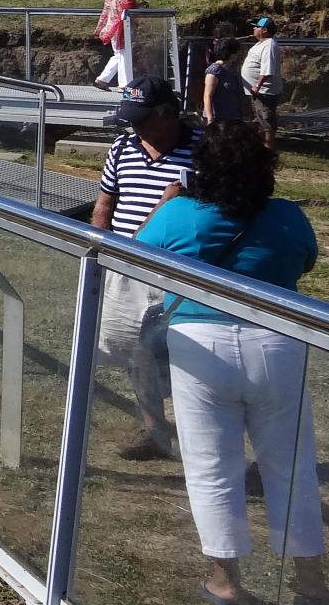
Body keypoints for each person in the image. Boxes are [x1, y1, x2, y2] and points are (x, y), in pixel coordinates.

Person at [136, 120, 329, 605]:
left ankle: (226, 582)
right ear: (266, 169)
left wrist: (164, 204)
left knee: (211, 466)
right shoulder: (288, 217)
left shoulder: (179, 213)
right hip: (278, 345)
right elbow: (305, 262)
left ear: (202, 168)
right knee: (291, 466)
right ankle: (312, 586)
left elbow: (131, 254)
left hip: (198, 347)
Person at [92, 77, 200, 462]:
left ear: (167, 113)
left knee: (181, 354)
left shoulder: (201, 149)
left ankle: (196, 432)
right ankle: (155, 431)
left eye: (141, 117)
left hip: (179, 270)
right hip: (127, 266)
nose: (132, 125)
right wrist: (98, 247)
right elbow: (106, 203)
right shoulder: (122, 147)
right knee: (136, 351)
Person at [92, 0, 143, 90]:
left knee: (119, 54)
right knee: (124, 55)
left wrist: (99, 28)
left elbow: (106, 10)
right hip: (121, 27)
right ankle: (125, 85)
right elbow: (128, 6)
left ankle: (102, 79)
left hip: (112, 27)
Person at [241, 17, 282, 148]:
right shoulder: (261, 43)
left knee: (267, 121)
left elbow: (268, 71)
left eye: (256, 27)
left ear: (264, 30)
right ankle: (258, 147)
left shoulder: (269, 45)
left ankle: (267, 149)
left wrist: (257, 85)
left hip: (265, 92)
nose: (254, 29)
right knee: (258, 121)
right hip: (257, 92)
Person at [201, 38, 248, 122]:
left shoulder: (232, 68)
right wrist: (210, 119)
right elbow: (207, 96)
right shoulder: (214, 71)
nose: (238, 54)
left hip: (233, 116)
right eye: (237, 51)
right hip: (218, 119)